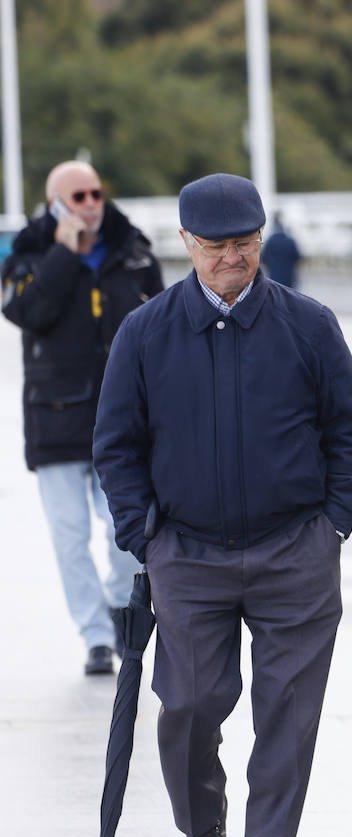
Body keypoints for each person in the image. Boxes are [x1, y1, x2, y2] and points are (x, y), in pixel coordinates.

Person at [93, 173, 352, 837]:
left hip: (296, 554)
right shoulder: (145, 333)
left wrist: (335, 523)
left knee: (288, 712)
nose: (232, 258)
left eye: (245, 243)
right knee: (187, 704)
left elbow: (351, 429)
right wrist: (142, 536)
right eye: (216, 245)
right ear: (186, 243)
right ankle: (203, 826)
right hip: (185, 554)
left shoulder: (309, 326)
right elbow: (116, 446)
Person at [1, 160, 162, 675]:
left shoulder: (132, 249)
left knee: (123, 527)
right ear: (54, 204)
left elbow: (159, 325)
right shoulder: (28, 254)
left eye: (96, 193)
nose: (91, 204)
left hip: (121, 422)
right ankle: (94, 636)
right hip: (55, 418)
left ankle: (117, 606)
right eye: (78, 196)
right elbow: (29, 313)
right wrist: (63, 253)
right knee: (68, 536)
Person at [260, 214, 301, 289]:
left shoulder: (270, 241)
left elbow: (263, 258)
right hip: (289, 277)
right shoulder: (290, 241)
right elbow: (297, 257)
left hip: (274, 277)